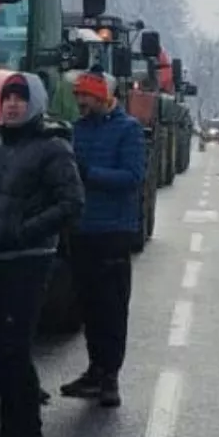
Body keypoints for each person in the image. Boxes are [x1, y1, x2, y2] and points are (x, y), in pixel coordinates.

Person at [0, 72, 85, 437]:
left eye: (20, 98)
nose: (12, 105)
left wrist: (26, 231)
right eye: (7, 98)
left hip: (28, 261)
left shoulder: (52, 148)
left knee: (16, 351)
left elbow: (72, 202)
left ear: (34, 103)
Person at [61, 67, 147, 409]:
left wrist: (89, 174)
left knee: (111, 307)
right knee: (89, 305)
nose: (79, 102)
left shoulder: (128, 130)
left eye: (85, 96)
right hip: (82, 229)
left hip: (113, 231)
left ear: (102, 97)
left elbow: (133, 176)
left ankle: (110, 377)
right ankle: (95, 369)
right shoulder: (77, 130)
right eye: (78, 96)